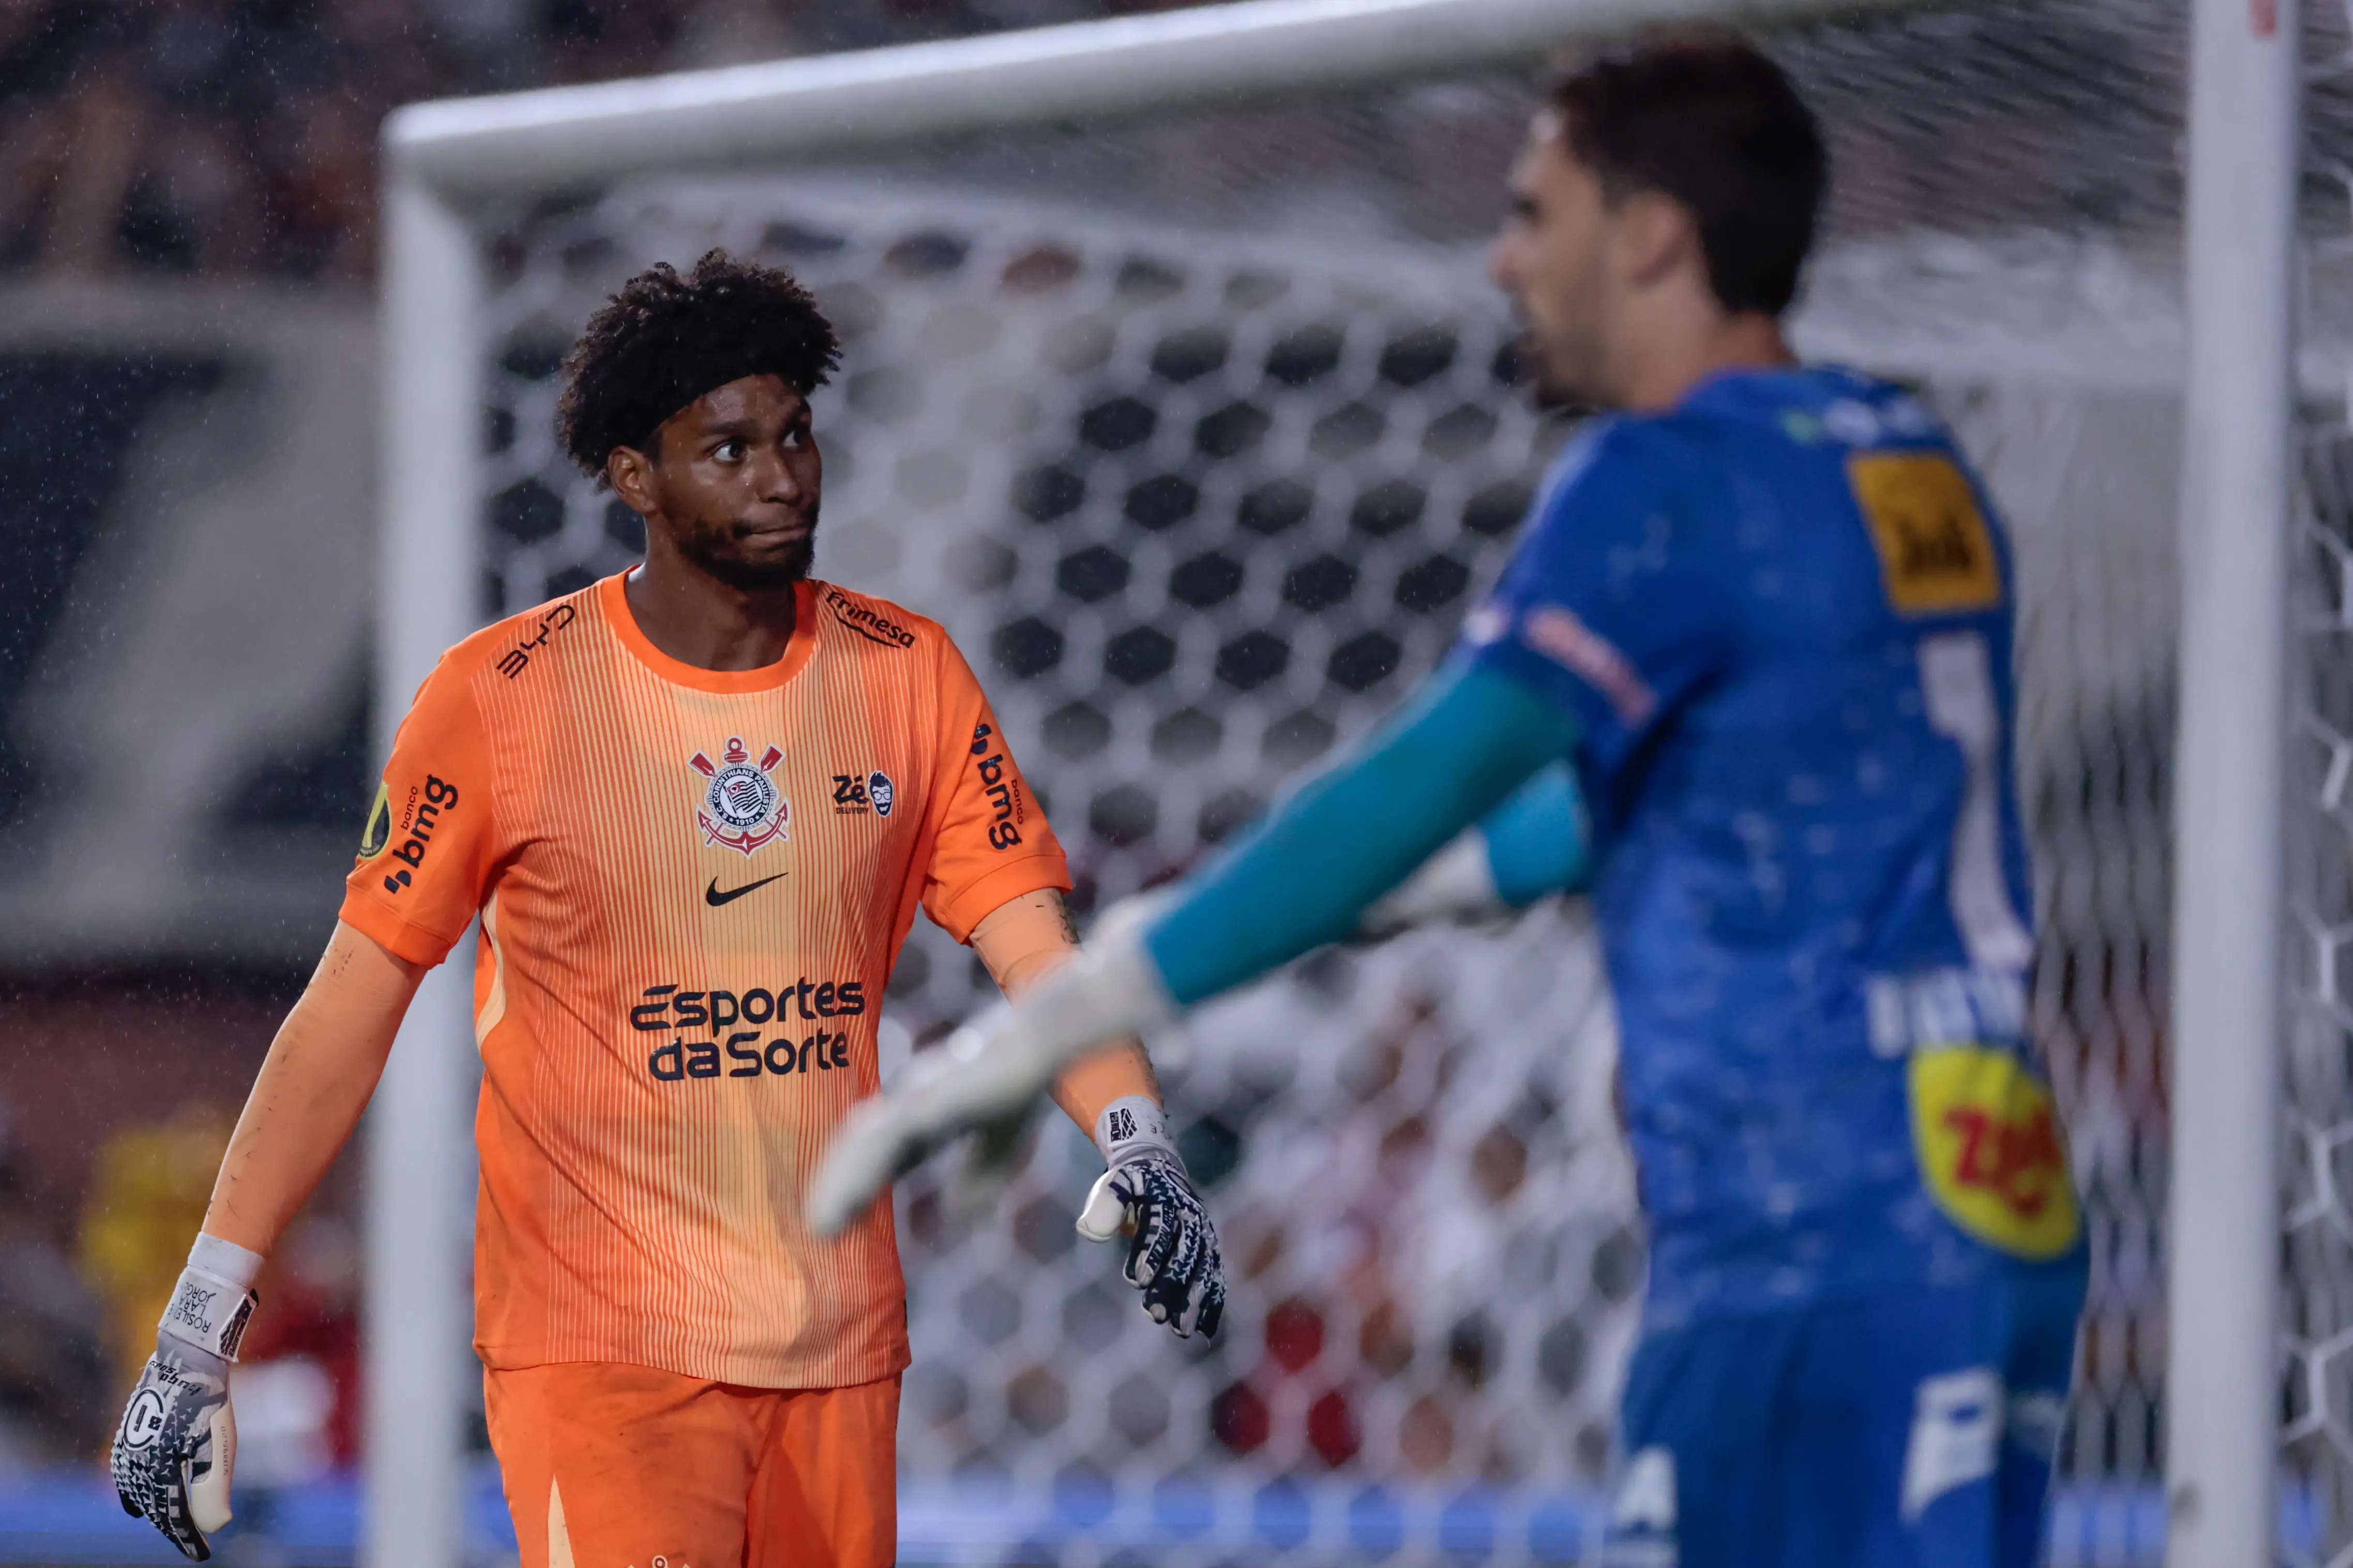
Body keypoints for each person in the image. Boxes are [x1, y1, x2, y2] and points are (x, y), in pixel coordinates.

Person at [812, 39, 2085, 1568]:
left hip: (1801, 1231)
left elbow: (1422, 779)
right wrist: (1403, 894)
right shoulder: (1906, 463)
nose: (1501, 259)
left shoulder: (1661, 478)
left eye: (1532, 213)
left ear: (1650, 237)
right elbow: (1654, 805)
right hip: (1984, 1198)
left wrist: (1071, 1005)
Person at [108, 250, 1225, 1567]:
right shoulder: (501, 699)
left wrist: (1135, 1134)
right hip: (604, 1352)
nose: (780, 474)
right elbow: (350, 1003)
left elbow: (1035, 943)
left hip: (836, 1344)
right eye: (729, 447)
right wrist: (199, 1326)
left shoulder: (907, 675)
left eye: (795, 433)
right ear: (636, 478)